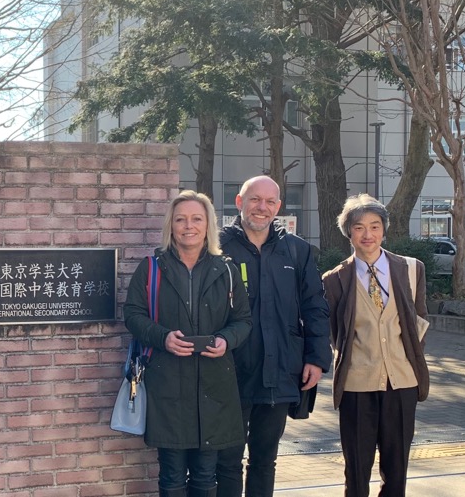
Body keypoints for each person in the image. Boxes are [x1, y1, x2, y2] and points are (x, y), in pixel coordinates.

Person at [123, 190, 252, 497]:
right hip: (168, 385)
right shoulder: (151, 268)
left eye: (197, 219)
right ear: (171, 225)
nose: (189, 226)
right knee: (171, 475)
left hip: (214, 387)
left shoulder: (227, 270)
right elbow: (132, 315)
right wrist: (163, 337)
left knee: (207, 475)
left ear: (208, 225)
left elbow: (243, 320)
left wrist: (225, 340)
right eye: (181, 219)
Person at [216, 176, 331, 497]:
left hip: (279, 373)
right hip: (228, 373)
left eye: (269, 202)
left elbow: (315, 307)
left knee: (265, 461)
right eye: (255, 199)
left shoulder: (296, 250)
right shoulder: (217, 248)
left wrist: (316, 359)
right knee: (226, 462)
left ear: (278, 207)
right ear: (239, 202)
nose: (262, 207)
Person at [322, 194, 429, 497]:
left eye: (374, 226)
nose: (367, 234)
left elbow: (419, 320)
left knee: (397, 470)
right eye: (359, 227)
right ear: (349, 233)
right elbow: (335, 332)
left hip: (402, 382)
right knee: (356, 470)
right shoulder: (335, 279)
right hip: (357, 385)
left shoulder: (411, 269)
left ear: (384, 230)